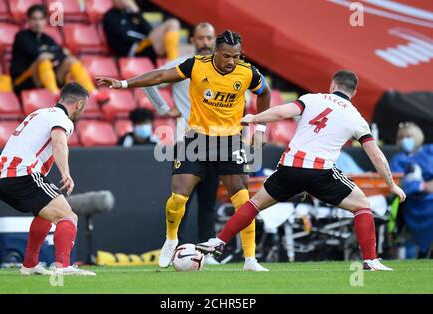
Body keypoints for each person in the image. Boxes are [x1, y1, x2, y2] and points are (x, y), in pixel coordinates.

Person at [196, 70, 406, 271]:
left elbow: (281, 112)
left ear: (333, 85)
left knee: (255, 204)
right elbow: (376, 155)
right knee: (362, 205)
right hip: (320, 173)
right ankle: (370, 260)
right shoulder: (356, 118)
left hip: (290, 167)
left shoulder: (313, 99)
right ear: (354, 92)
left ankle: (219, 241)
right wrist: (392, 185)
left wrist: (254, 118)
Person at [96, 30, 271, 271]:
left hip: (230, 140)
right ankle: (171, 239)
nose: (231, 61)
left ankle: (250, 259)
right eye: (227, 56)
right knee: (178, 197)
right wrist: (124, 83)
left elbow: (265, 92)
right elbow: (160, 76)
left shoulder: (247, 72)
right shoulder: (196, 66)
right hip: (196, 139)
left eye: (236, 56)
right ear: (217, 52)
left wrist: (260, 126)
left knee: (242, 199)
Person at [0, 82, 95, 276]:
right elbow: (58, 141)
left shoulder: (39, 113)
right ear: (79, 104)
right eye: (85, 106)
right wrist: (65, 172)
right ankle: (62, 267)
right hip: (22, 174)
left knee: (45, 216)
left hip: (1, 178)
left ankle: (29, 265)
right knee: (68, 216)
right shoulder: (61, 118)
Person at [143, 22, 219, 264]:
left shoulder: (224, 68)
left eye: (209, 38)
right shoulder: (182, 65)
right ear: (193, 40)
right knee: (181, 198)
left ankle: (208, 252)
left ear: (215, 40)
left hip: (218, 141)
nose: (205, 42)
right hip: (187, 140)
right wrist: (165, 109)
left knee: (209, 202)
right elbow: (152, 82)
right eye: (201, 38)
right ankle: (177, 247)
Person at [11, 5, 100, 99]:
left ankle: (93, 92)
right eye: (34, 19)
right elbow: (35, 53)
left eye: (41, 19)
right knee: (43, 60)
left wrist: (50, 52)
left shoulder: (47, 38)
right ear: (28, 20)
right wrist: (52, 53)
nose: (37, 23)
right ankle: (54, 93)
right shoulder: (21, 36)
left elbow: (63, 54)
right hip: (23, 81)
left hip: (46, 77)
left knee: (70, 60)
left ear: (45, 21)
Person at [390, 122, 433, 257]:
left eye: (408, 136)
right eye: (401, 137)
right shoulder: (397, 160)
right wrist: (424, 186)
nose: (405, 140)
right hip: (415, 202)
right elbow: (399, 184)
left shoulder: (430, 151)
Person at [103, 0, 180, 62]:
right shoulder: (110, 16)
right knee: (172, 23)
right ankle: (173, 63)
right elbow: (123, 36)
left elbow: (149, 30)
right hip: (135, 50)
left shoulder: (131, 14)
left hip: (146, 46)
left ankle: (173, 62)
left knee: (188, 48)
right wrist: (143, 39)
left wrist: (136, 11)